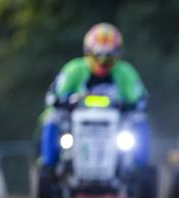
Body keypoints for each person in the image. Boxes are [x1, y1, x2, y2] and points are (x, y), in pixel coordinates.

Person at [40, 23, 150, 168]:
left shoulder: (125, 72)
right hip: (75, 121)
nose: (103, 62)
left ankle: (140, 168)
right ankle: (49, 166)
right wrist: (63, 101)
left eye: (109, 57)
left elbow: (141, 98)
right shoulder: (74, 69)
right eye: (99, 56)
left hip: (116, 123)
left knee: (140, 120)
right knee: (52, 118)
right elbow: (53, 95)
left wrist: (130, 105)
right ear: (89, 52)